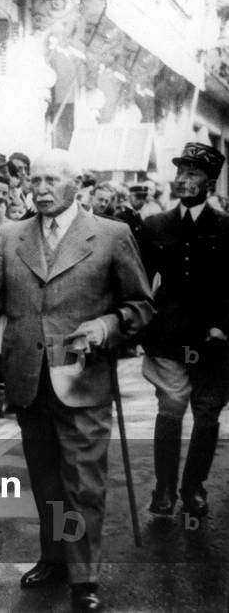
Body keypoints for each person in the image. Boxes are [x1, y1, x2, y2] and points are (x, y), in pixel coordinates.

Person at [0, 148, 153, 613]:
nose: (40, 189)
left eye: (51, 181)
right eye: (35, 181)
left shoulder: (111, 235)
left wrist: (106, 326)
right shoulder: (8, 236)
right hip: (28, 380)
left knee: (83, 483)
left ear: (75, 185)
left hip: (83, 378)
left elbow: (141, 306)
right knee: (46, 482)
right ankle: (55, 558)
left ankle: (85, 577)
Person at [137, 142, 229, 520]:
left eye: (193, 174)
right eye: (180, 172)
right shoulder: (155, 225)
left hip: (215, 339)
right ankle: (164, 489)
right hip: (168, 335)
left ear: (210, 182)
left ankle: (193, 487)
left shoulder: (225, 228)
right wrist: (134, 324)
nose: (184, 179)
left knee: (206, 413)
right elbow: (139, 282)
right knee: (171, 406)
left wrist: (223, 326)